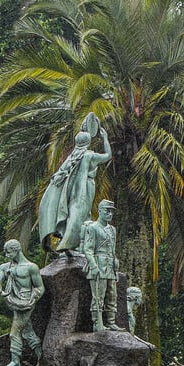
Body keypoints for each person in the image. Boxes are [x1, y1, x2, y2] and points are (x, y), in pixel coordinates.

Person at [37, 115, 112, 252]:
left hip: (71, 189)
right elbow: (108, 156)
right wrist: (105, 138)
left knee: (74, 212)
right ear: (88, 142)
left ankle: (72, 241)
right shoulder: (90, 155)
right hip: (85, 187)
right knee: (82, 213)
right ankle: (73, 243)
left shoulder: (73, 156)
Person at [0, 239, 45, 366]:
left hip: (26, 301)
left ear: (17, 250)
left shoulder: (31, 267)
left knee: (14, 333)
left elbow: (40, 287)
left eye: (9, 252)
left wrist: (34, 297)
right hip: (13, 301)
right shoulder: (5, 267)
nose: (7, 256)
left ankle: (15, 362)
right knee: (28, 332)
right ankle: (42, 357)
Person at [80, 199, 123, 332]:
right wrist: (93, 266)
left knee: (112, 295)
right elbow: (88, 249)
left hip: (110, 265)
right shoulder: (92, 228)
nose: (110, 214)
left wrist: (115, 266)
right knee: (98, 295)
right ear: (99, 211)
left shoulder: (112, 230)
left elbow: (113, 249)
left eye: (111, 211)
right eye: (107, 210)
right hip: (98, 264)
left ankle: (110, 322)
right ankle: (97, 323)